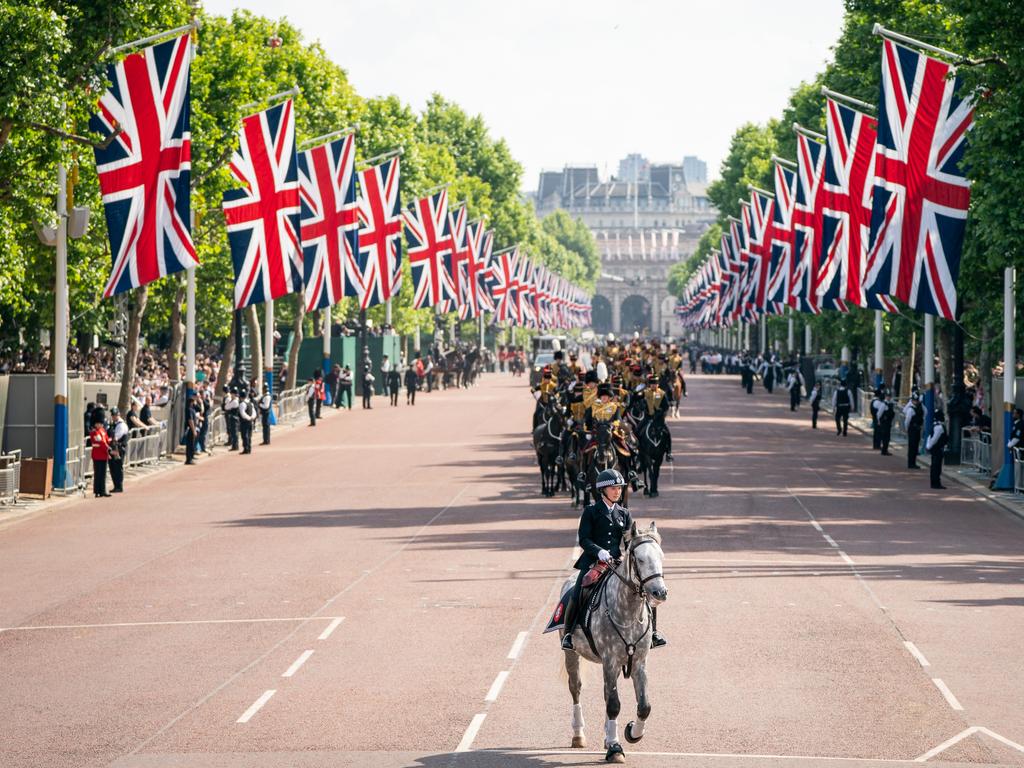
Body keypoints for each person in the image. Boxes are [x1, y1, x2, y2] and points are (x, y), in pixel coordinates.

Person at [561, 468, 666, 651]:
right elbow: (584, 538)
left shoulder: (624, 513)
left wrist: (636, 547)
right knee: (578, 591)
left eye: (619, 488)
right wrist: (599, 551)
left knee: (645, 589)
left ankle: (654, 633)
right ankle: (569, 634)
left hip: (617, 562)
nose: (618, 491)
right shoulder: (591, 511)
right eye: (613, 488)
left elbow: (628, 540)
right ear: (603, 490)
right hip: (594, 561)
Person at [89, 410, 112, 498]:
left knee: (103, 474)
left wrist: (111, 442)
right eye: (98, 423)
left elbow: (106, 439)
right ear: (95, 424)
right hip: (97, 455)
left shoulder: (102, 431)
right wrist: (108, 448)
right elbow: (101, 442)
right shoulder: (94, 432)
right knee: (98, 474)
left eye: (100, 423)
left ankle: (102, 490)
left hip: (103, 455)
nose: (100, 425)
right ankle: (98, 491)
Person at [926, 409, 948, 489]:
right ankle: (936, 483)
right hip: (937, 448)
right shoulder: (939, 427)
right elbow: (934, 439)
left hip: (935, 448)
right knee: (936, 466)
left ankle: (935, 482)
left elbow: (929, 437)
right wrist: (929, 446)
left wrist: (928, 446)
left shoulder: (934, 425)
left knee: (935, 466)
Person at [108, 407, 128, 492]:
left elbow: (116, 438)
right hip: (114, 449)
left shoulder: (121, 425)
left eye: (114, 415)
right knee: (113, 468)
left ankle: (119, 486)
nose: (113, 417)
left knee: (117, 468)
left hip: (118, 449)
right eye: (113, 415)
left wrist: (108, 439)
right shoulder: (114, 424)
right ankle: (116, 485)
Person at [904, 392, 924, 469]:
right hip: (912, 429)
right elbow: (907, 421)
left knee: (915, 446)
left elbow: (925, 412)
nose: (916, 402)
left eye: (917, 400)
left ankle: (913, 462)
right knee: (912, 446)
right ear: (912, 400)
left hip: (917, 429)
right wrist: (906, 429)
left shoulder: (919, 407)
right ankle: (910, 463)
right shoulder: (910, 409)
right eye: (914, 400)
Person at [238, 387, 256, 454]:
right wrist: (252, 417)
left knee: (245, 435)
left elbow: (243, 413)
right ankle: (249, 448)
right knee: (249, 435)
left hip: (245, 422)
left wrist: (248, 418)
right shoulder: (250, 403)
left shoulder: (242, 404)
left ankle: (246, 448)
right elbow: (254, 412)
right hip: (250, 421)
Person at [878, 391, 895, 456]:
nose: (889, 397)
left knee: (887, 437)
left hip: (888, 422)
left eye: (889, 396)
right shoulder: (883, 404)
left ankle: (885, 449)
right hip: (884, 422)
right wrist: (879, 421)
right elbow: (879, 413)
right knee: (885, 436)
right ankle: (884, 450)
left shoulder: (890, 403)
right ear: (885, 396)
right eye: (887, 396)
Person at [224, 386, 240, 450]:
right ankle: (235, 445)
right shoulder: (235, 400)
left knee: (234, 432)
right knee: (234, 432)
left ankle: (235, 446)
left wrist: (228, 402)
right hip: (234, 418)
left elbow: (226, 407)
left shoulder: (234, 401)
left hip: (234, 418)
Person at [184, 394, 198, 465]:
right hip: (190, 429)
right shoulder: (189, 410)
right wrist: (194, 430)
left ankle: (191, 457)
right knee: (190, 444)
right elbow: (190, 420)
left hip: (192, 428)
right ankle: (189, 459)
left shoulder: (191, 409)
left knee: (192, 444)